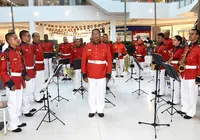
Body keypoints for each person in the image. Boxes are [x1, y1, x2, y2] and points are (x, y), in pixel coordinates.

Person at [0, 32, 30, 132]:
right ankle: (12, 125)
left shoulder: (18, 51)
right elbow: (2, 71)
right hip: (12, 80)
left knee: (18, 102)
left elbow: (22, 65)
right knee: (12, 103)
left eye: (17, 37)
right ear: (9, 41)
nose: (17, 39)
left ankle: (16, 121)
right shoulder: (5, 54)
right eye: (15, 38)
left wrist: (25, 74)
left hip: (20, 80)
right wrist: (9, 83)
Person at [81, 29, 112, 118]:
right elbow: (83, 61)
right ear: (91, 36)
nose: (95, 36)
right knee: (91, 92)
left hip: (102, 73)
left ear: (100, 35)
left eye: (97, 34)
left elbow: (109, 61)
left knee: (101, 92)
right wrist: (84, 73)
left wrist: (108, 73)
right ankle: (92, 109)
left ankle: (100, 109)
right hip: (90, 73)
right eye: (94, 34)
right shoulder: (87, 47)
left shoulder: (105, 47)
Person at [177, 29, 200, 119]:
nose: (190, 35)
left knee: (192, 93)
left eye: (192, 34)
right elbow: (184, 57)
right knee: (184, 91)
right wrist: (181, 62)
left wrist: (198, 76)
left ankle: (191, 111)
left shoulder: (198, 48)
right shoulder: (187, 47)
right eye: (189, 34)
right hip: (184, 73)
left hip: (193, 74)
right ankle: (185, 108)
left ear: (197, 36)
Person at [19, 30, 37, 117]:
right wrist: (24, 73)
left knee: (31, 90)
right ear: (22, 37)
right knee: (26, 91)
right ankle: (25, 110)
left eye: (29, 35)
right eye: (27, 36)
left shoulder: (30, 46)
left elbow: (32, 58)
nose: (29, 37)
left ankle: (28, 107)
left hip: (32, 70)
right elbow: (21, 61)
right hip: (26, 72)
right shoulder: (20, 47)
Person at [168, 35, 184, 104]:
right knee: (172, 84)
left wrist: (179, 71)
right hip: (171, 68)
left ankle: (176, 100)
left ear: (179, 41)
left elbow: (182, 61)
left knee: (176, 85)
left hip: (177, 69)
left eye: (174, 40)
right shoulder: (173, 49)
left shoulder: (181, 50)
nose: (173, 41)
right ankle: (172, 98)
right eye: (173, 40)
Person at [32, 32, 45, 103]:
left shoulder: (40, 45)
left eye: (39, 36)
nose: (38, 38)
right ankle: (37, 97)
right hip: (36, 67)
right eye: (36, 36)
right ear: (33, 38)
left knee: (41, 82)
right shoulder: (31, 46)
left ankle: (41, 95)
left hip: (41, 66)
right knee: (37, 83)